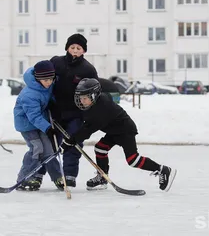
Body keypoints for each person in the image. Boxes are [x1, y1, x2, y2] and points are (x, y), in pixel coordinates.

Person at [60, 78, 177, 192]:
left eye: (85, 98)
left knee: (133, 160)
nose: (82, 101)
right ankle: (102, 177)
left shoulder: (101, 108)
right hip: (114, 131)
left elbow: (87, 130)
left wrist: (70, 141)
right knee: (100, 148)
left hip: (125, 130)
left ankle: (162, 169)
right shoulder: (93, 104)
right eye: (80, 98)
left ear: (94, 96)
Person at [49, 33, 98, 187]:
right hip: (55, 111)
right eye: (72, 47)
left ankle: (69, 175)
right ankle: (47, 175)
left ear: (83, 51)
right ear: (67, 48)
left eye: (79, 48)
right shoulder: (56, 62)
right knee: (50, 144)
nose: (75, 51)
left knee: (73, 143)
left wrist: (88, 114)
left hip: (76, 113)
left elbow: (94, 93)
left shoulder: (88, 69)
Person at [13, 60, 64, 191]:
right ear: (38, 79)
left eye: (51, 79)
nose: (49, 82)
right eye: (45, 80)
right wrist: (47, 128)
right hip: (27, 124)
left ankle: (58, 177)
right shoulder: (29, 94)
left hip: (41, 120)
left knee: (49, 150)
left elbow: (51, 96)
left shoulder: (48, 85)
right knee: (37, 148)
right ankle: (24, 178)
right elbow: (33, 116)